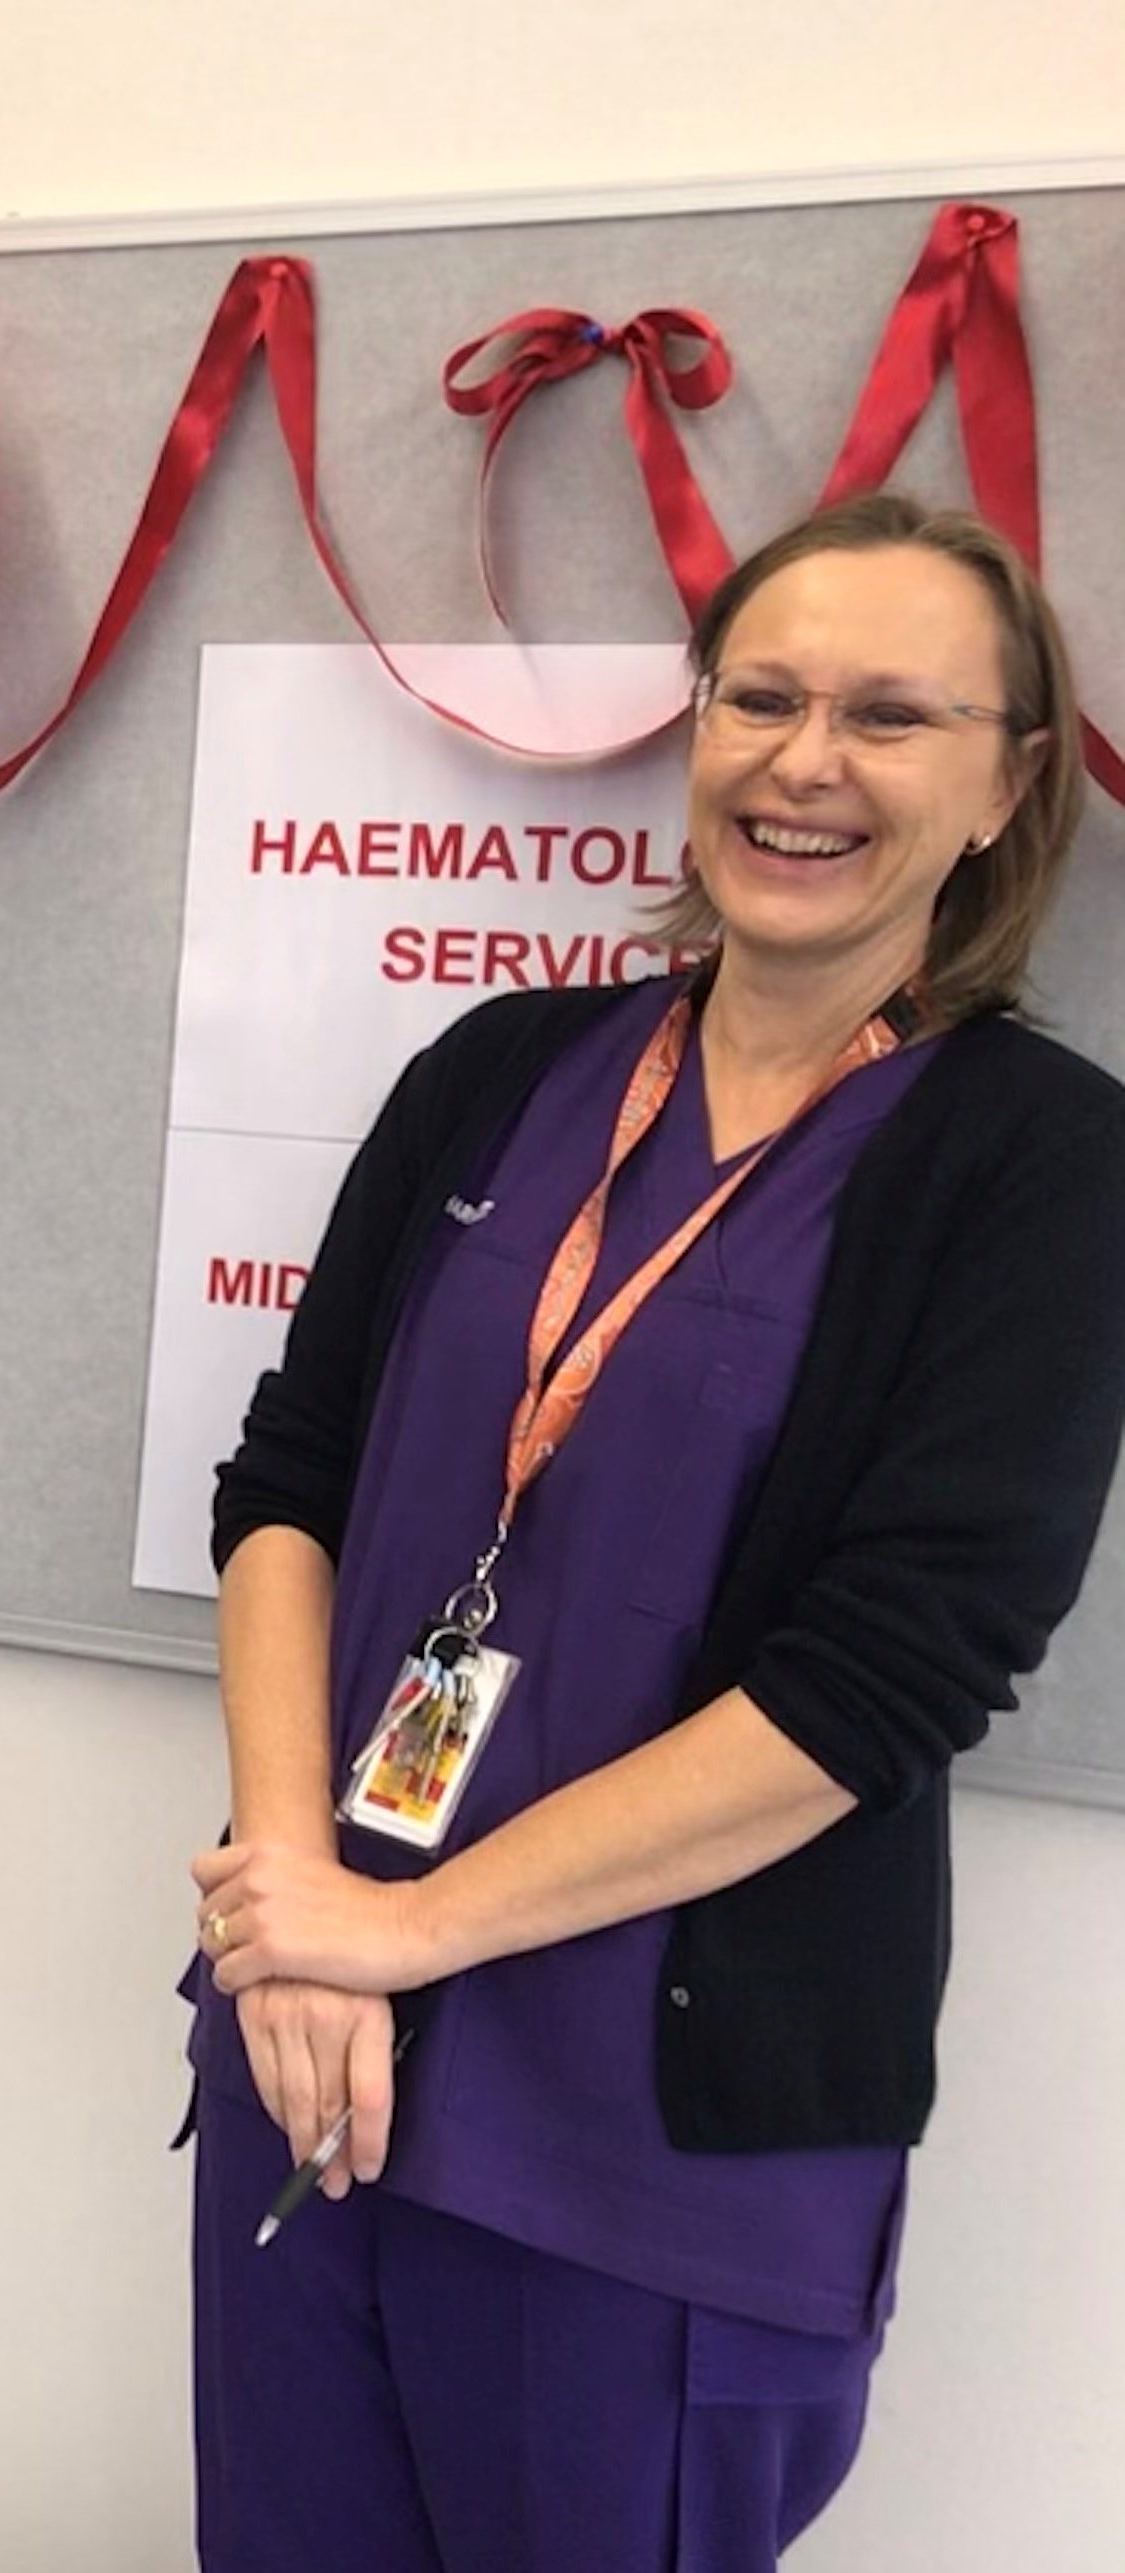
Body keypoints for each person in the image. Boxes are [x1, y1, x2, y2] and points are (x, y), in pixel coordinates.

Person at [181, 491, 1125, 2573]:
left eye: (887, 714)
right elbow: (285, 1480)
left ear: (1003, 784)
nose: (801, 760)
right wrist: (295, 1889)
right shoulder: (499, 1064)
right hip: (312, 2041)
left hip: (643, 2137)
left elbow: (891, 1669)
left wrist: (403, 1925)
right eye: (758, 696)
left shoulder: (1036, 1165)